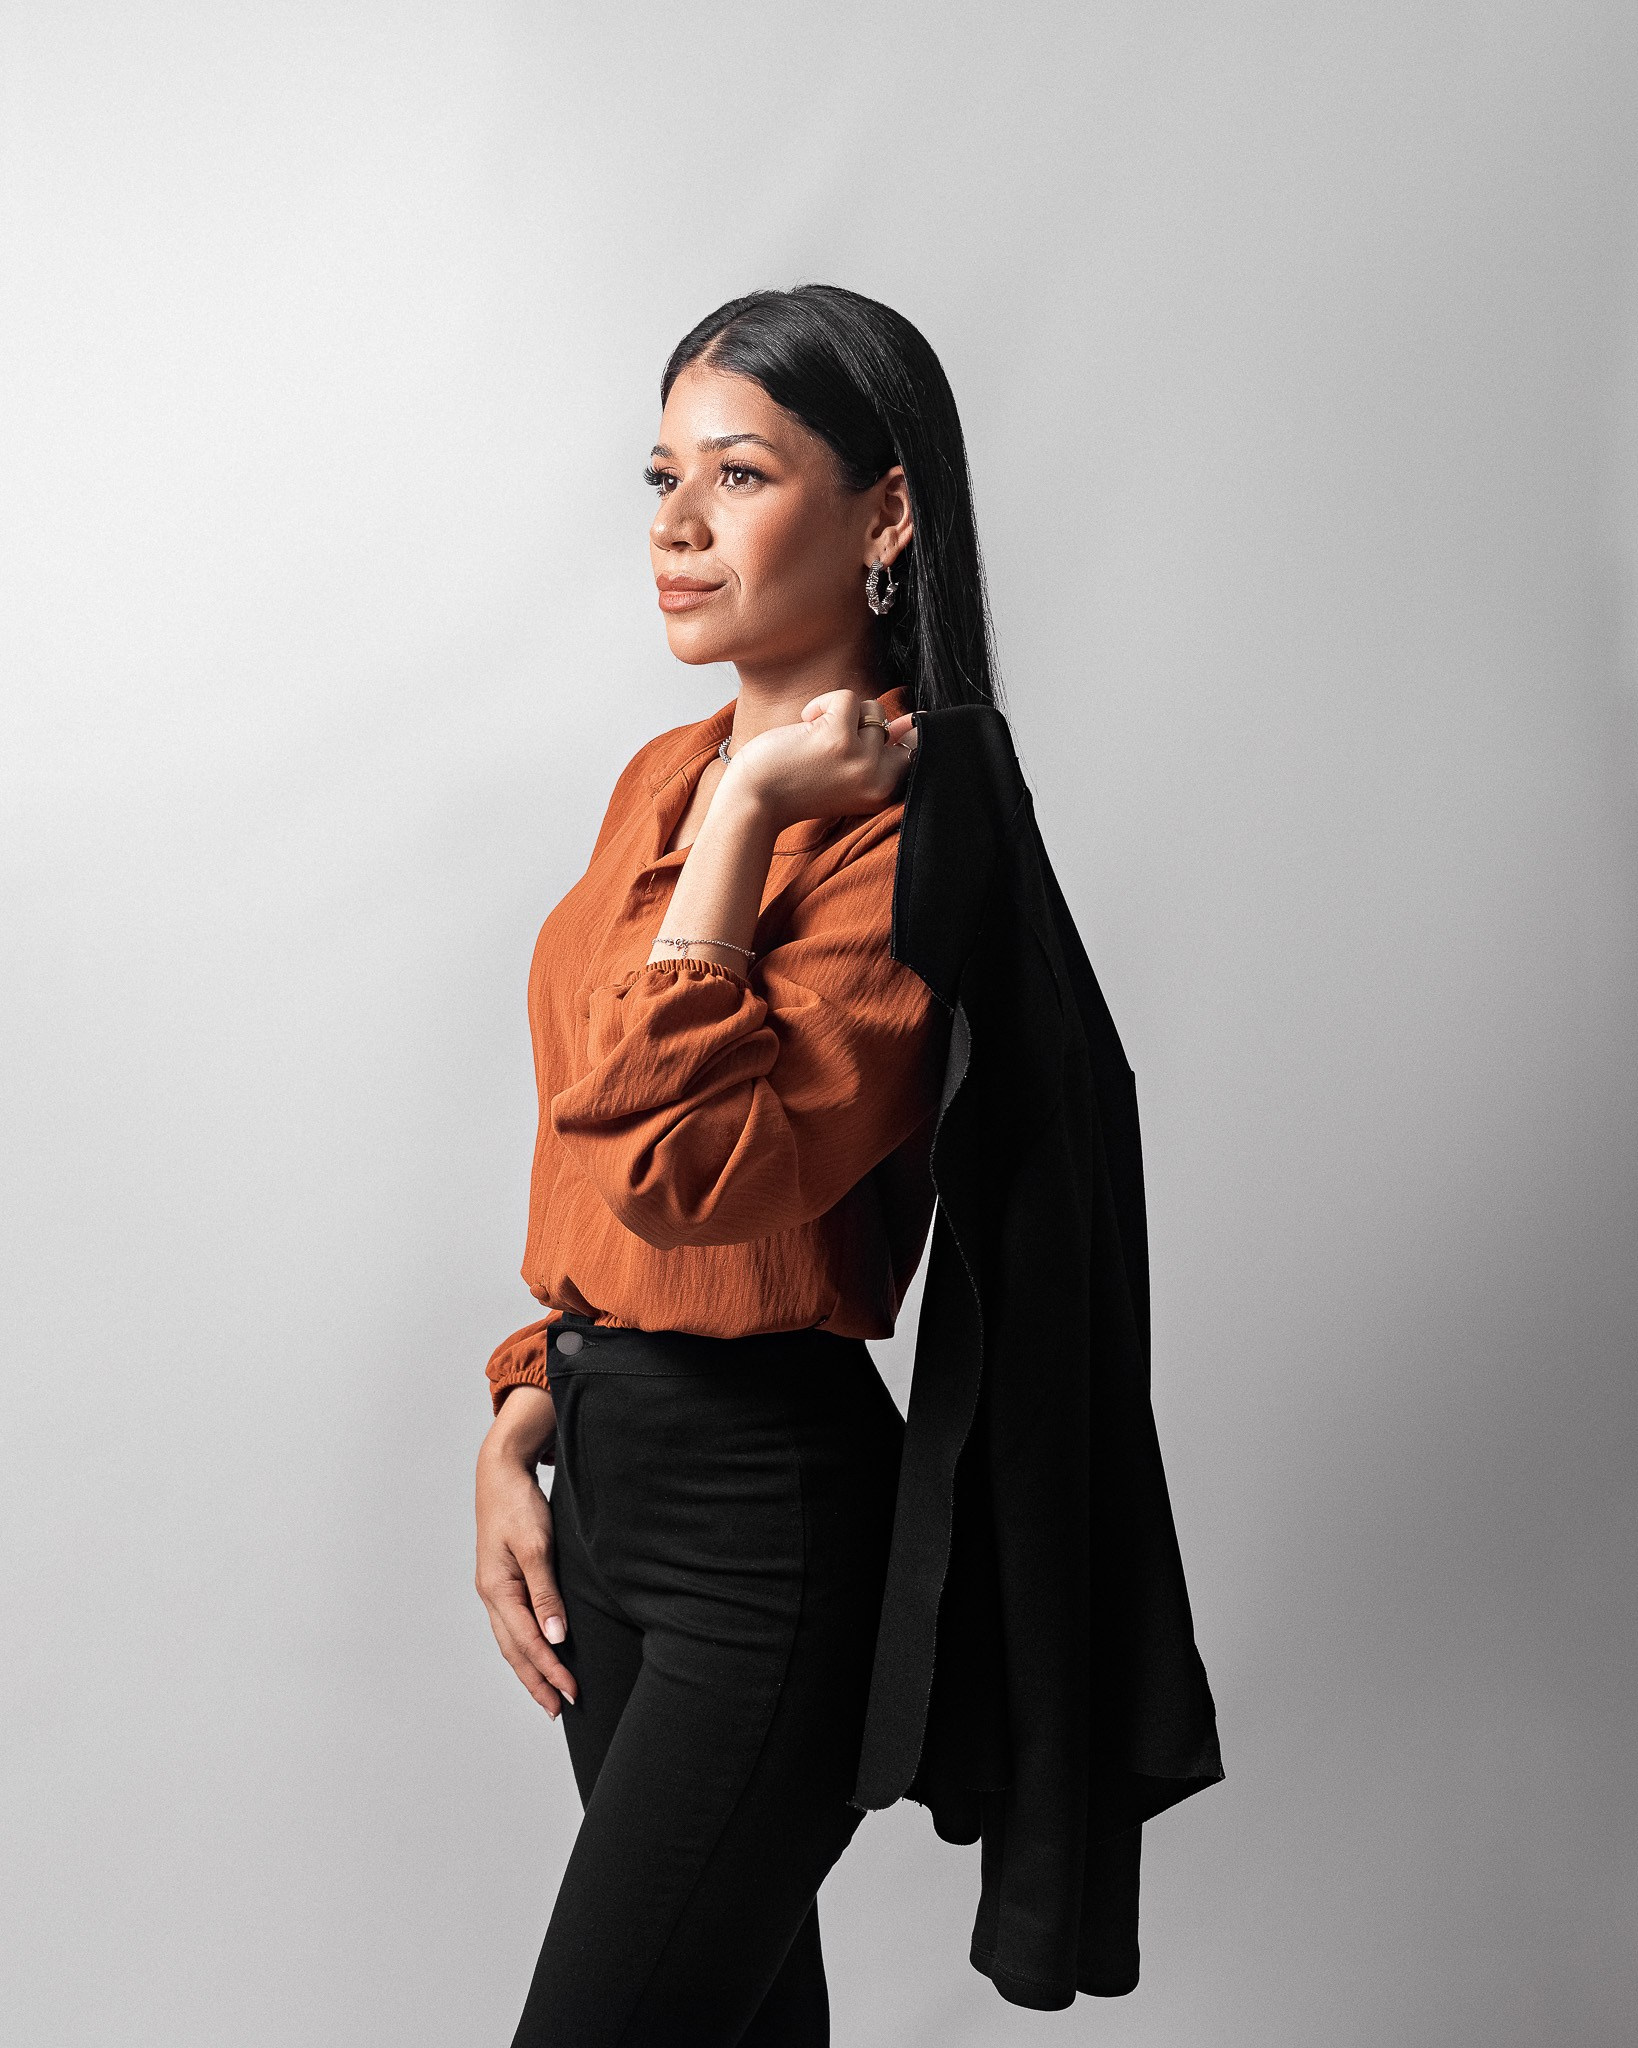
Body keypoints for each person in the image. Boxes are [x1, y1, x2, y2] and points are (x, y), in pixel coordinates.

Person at [474, 285, 993, 2047]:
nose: (677, 527)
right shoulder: (660, 776)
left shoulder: (912, 835)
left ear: (886, 512)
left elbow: (692, 1174)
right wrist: (530, 1396)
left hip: (762, 1520)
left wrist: (764, 808)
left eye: (742, 474)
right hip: (603, 1483)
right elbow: (589, 1137)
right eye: (660, 476)